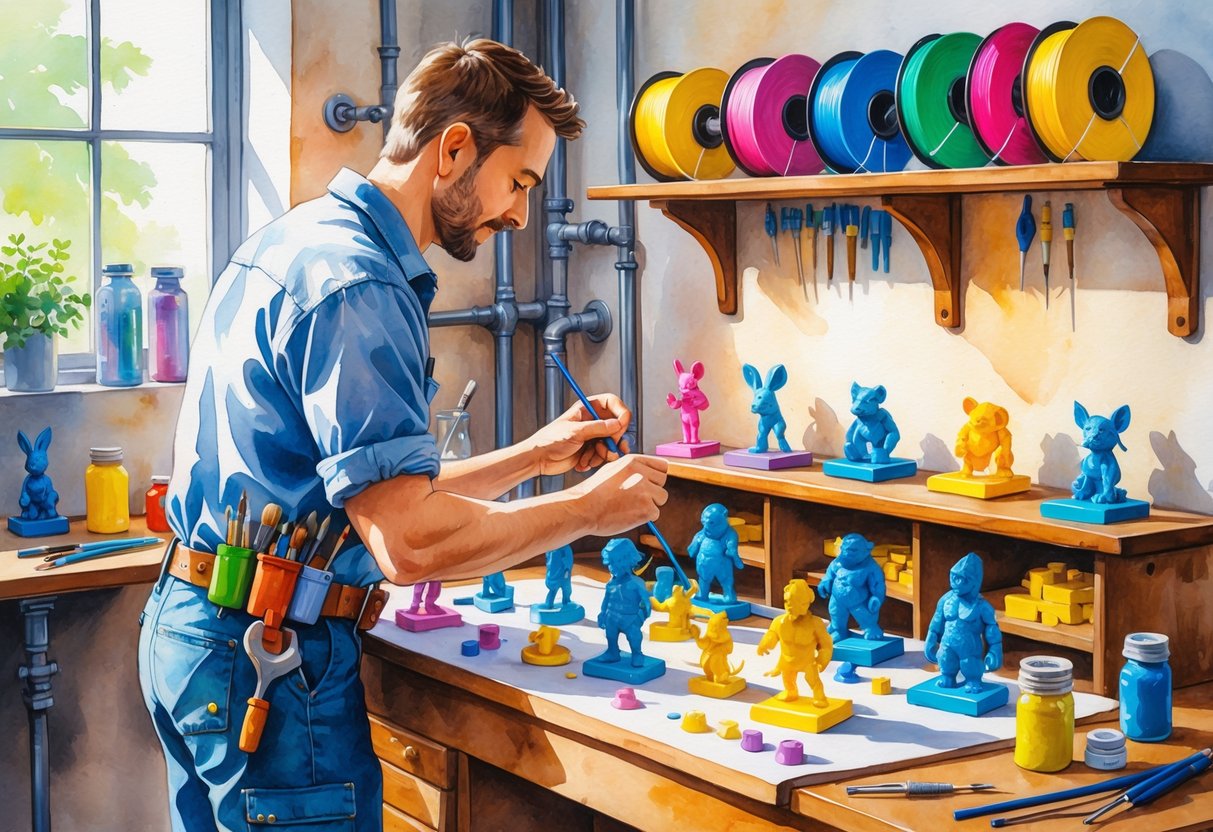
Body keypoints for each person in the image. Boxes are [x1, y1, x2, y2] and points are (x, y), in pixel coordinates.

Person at [138, 38, 668, 832]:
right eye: (518, 182)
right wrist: (588, 510)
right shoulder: (361, 287)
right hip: (270, 660)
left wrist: (536, 457)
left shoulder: (301, 240)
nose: (519, 214)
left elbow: (374, 500)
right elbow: (409, 544)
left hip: (197, 631)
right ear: (453, 149)